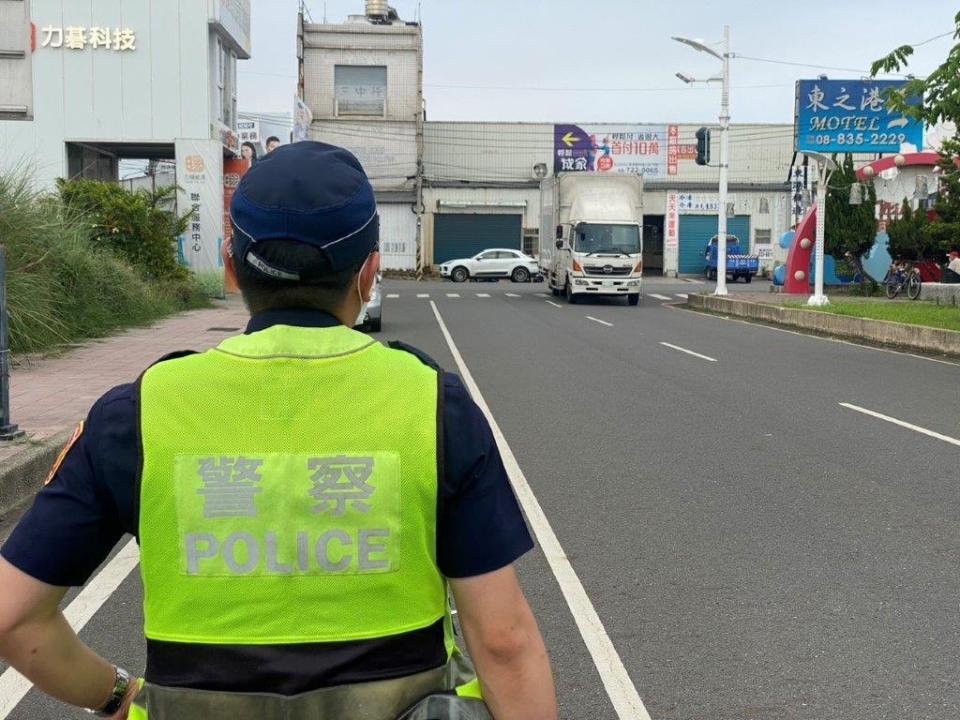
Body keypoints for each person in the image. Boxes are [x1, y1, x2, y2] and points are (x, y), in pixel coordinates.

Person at [0, 142, 557, 720]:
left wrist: (119, 696)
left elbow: (13, 616)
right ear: (369, 272)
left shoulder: (136, 414)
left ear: (232, 266)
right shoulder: (435, 405)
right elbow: (504, 643)